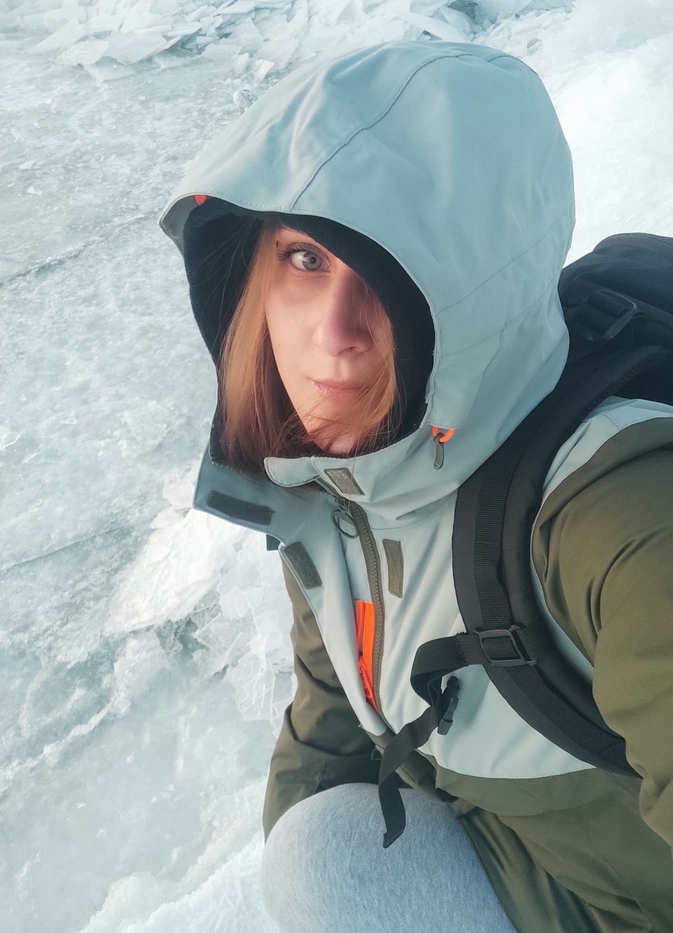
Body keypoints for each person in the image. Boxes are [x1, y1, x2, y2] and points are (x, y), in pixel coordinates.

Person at [161, 41, 673, 932]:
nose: (335, 332)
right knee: (321, 854)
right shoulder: (337, 495)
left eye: (390, 275)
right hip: (530, 858)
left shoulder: (616, 516)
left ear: (472, 290)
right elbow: (328, 742)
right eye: (306, 259)